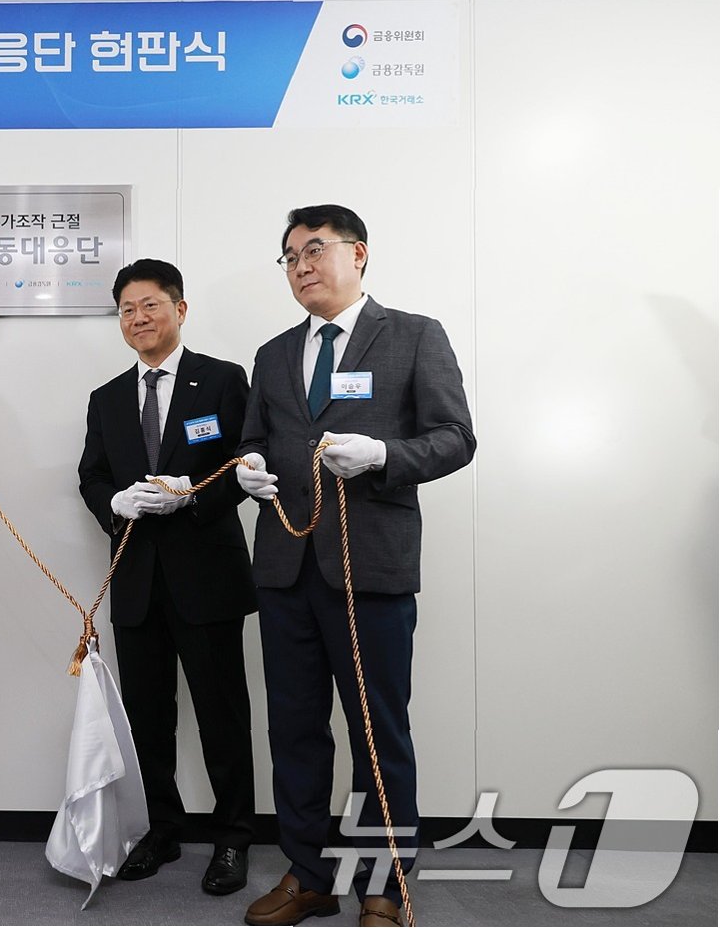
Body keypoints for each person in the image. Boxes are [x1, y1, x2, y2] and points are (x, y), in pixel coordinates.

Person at [236, 206, 475, 927]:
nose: (301, 266)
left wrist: (383, 456)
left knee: (378, 732)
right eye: (290, 258)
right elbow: (251, 438)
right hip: (286, 568)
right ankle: (310, 875)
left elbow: (455, 437)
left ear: (358, 254)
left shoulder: (413, 335)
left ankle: (386, 884)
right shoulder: (274, 353)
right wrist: (248, 467)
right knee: (294, 729)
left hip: (369, 568)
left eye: (314, 250)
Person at [77, 258, 259, 896]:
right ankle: (162, 829)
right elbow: (91, 476)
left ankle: (234, 837)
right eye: (126, 309)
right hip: (136, 581)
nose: (138, 318)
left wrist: (194, 496)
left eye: (150, 305)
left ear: (180, 310)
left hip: (207, 576)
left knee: (222, 715)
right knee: (148, 720)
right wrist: (114, 502)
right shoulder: (106, 398)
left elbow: (245, 460)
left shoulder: (222, 380)